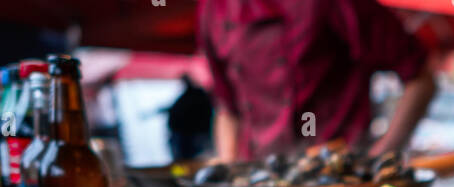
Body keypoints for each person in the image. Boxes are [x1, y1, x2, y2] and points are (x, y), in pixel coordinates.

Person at [198, 0, 437, 160]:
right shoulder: (213, 7)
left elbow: (421, 79)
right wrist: (228, 177)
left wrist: (383, 155)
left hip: (338, 184)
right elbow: (227, 108)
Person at [164, 74, 213, 160]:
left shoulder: (196, 95)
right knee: (182, 163)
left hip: (192, 136)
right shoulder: (187, 96)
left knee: (189, 161)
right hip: (184, 136)